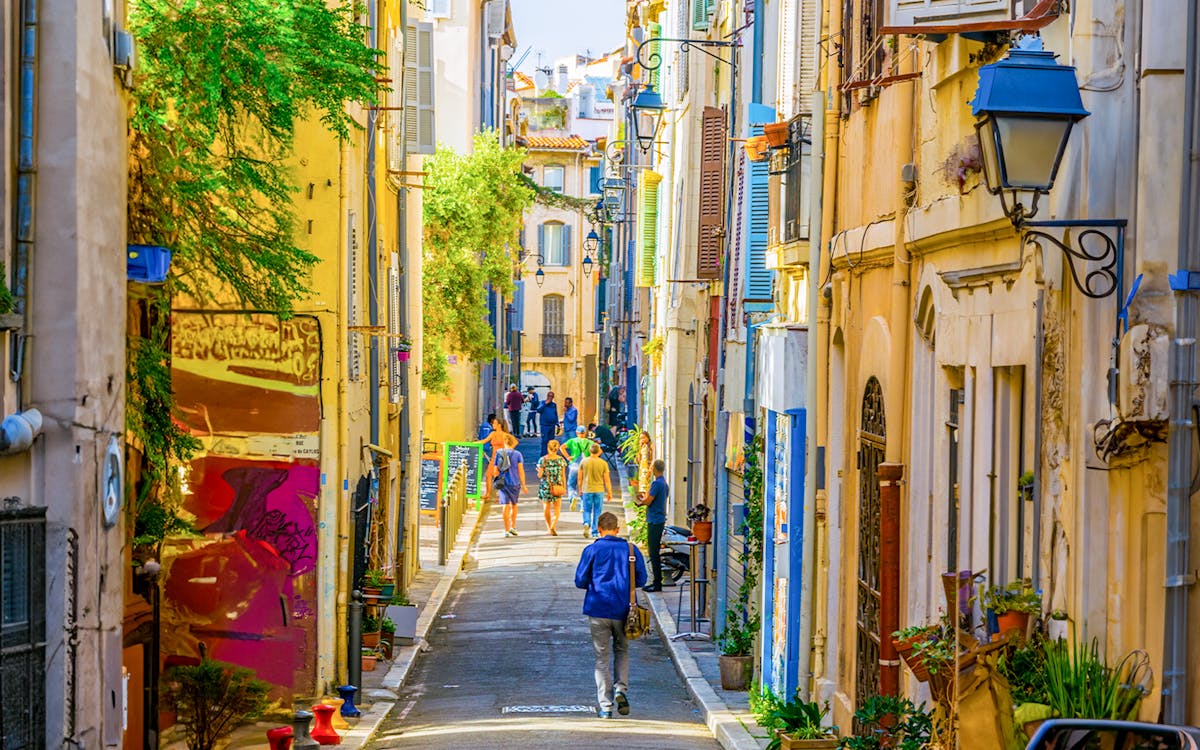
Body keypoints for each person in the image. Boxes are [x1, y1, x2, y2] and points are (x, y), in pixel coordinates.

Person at [574, 511, 647, 719]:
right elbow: (642, 579)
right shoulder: (631, 550)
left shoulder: (591, 550)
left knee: (601, 658)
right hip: (625, 611)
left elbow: (580, 581)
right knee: (622, 650)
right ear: (617, 529)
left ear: (599, 529)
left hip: (598, 609)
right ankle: (620, 689)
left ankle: (605, 707)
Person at [636, 459, 669, 591]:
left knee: (653, 551)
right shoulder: (664, 483)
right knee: (654, 551)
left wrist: (641, 502)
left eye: (651, 467)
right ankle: (656, 581)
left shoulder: (656, 484)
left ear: (655, 469)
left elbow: (649, 501)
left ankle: (657, 583)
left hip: (655, 520)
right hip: (659, 518)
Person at [494, 434, 527, 536]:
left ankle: (506, 530)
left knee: (505, 506)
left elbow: (495, 471)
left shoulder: (499, 453)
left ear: (504, 442)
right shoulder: (517, 454)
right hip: (514, 483)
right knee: (514, 505)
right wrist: (524, 485)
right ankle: (513, 526)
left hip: (503, 483)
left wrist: (496, 481)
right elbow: (521, 471)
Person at [578, 442, 612, 538]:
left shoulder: (584, 462)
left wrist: (580, 489)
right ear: (599, 451)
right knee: (597, 511)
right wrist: (609, 492)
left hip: (587, 489)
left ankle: (586, 523)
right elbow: (607, 480)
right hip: (599, 489)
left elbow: (579, 478)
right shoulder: (603, 463)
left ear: (590, 451)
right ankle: (595, 531)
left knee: (587, 509)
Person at [536, 439, 568, 535]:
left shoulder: (543, 460)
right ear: (557, 448)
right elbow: (563, 475)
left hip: (546, 486)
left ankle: (548, 528)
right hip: (558, 485)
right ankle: (553, 526)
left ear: (547, 448)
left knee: (546, 507)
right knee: (557, 508)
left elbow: (540, 475)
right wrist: (564, 487)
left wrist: (538, 471)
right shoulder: (561, 460)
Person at [561, 426, 594, 511]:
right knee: (584, 487)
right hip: (585, 466)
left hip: (574, 465)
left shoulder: (573, 441)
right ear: (585, 433)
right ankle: (583, 506)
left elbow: (562, 447)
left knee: (571, 485)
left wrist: (568, 457)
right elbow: (599, 450)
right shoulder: (589, 442)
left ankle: (573, 497)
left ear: (577, 433)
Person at [537, 391, 560, 458]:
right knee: (544, 440)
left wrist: (557, 423)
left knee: (551, 441)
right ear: (547, 396)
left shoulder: (554, 405)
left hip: (552, 425)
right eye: (549, 396)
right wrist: (545, 404)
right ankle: (543, 455)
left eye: (552, 396)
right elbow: (538, 410)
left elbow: (555, 414)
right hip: (545, 425)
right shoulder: (542, 402)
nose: (550, 398)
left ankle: (551, 454)